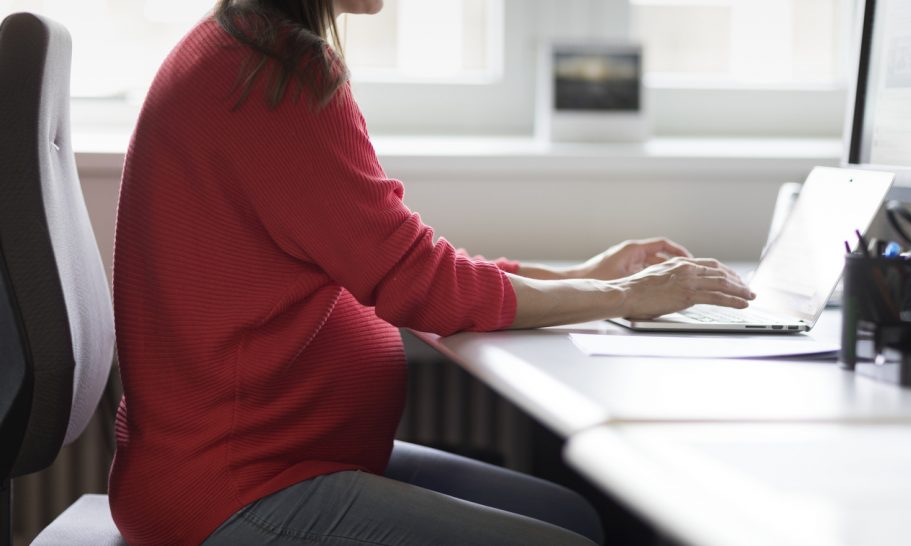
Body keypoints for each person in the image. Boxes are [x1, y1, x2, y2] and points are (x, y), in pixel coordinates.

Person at [107, 1, 755, 545]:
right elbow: (422, 284)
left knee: (573, 516)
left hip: (281, 459)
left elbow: (396, 260)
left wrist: (580, 278)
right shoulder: (271, 75)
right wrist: (621, 296)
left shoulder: (247, 48)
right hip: (235, 488)